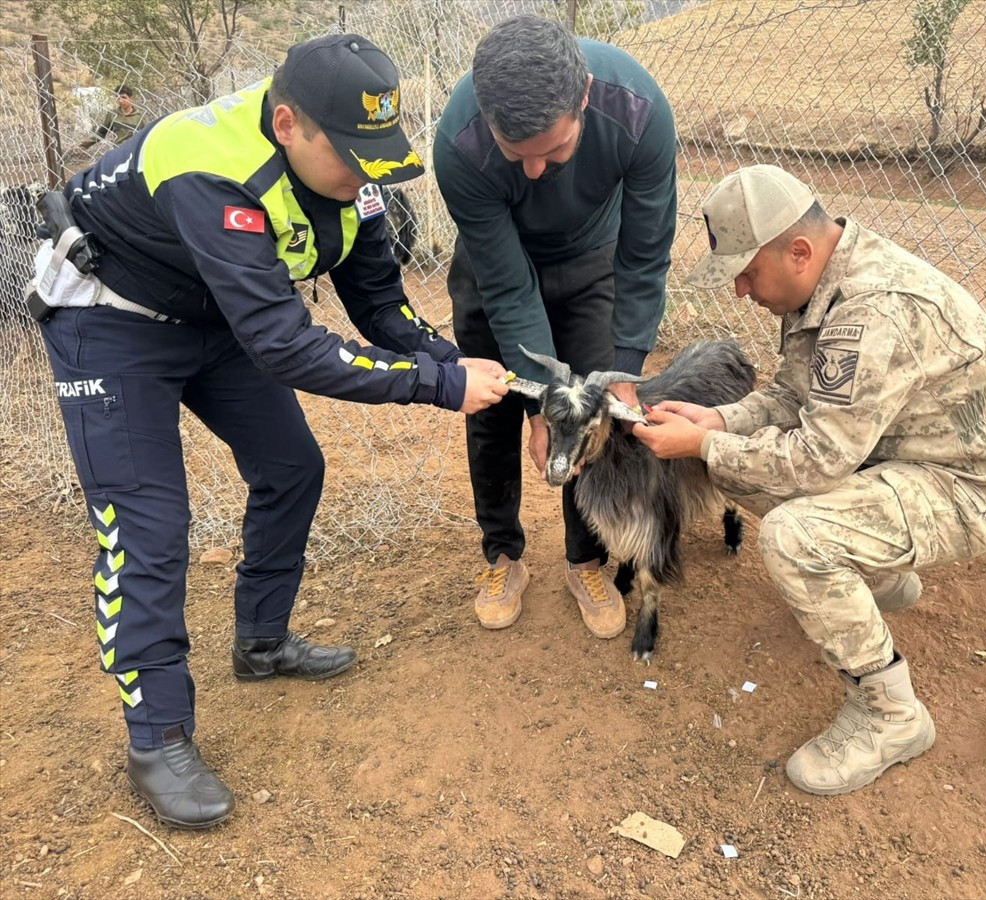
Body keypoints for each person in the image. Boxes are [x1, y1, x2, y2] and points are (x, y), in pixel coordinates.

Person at [32, 34, 509, 829]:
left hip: (216, 314)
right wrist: (439, 387)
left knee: (292, 466)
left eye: (375, 157)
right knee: (147, 524)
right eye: (350, 157)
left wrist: (448, 359)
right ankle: (157, 739)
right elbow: (286, 347)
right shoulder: (208, 165)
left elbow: (379, 304)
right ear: (288, 125)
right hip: (110, 322)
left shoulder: (354, 181)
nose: (365, 175)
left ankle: (261, 641)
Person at [633, 165, 986, 796]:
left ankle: (890, 714)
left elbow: (817, 459)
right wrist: (720, 420)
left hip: (965, 488)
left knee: (794, 535)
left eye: (747, 272)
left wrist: (704, 443)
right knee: (731, 462)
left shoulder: (873, 311)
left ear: (798, 251)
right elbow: (795, 399)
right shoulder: (819, 283)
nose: (739, 290)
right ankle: (877, 577)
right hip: (890, 456)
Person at [433, 16, 677, 639]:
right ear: (488, 120)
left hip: (592, 261)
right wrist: (540, 400)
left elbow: (645, 255)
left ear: (585, 97)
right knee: (492, 408)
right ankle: (503, 555)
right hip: (496, 268)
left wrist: (626, 366)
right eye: (517, 155)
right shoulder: (459, 143)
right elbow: (509, 287)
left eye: (555, 149)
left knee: (590, 414)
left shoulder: (640, 113)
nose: (536, 172)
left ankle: (584, 560)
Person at [79, 84, 145, 151]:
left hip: (133, 151)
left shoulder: (139, 117)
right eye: (118, 98)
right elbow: (101, 133)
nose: (120, 101)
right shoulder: (112, 114)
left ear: (131, 99)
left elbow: (144, 137)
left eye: (124, 97)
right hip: (118, 150)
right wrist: (85, 144)